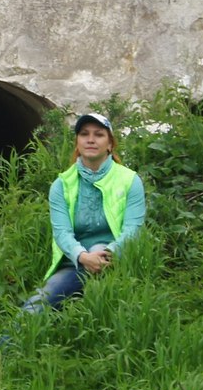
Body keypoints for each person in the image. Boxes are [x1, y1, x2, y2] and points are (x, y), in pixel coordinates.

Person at [21, 113, 146, 312]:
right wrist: (84, 257)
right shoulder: (62, 185)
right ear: (77, 142)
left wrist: (107, 253)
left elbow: (133, 229)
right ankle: (5, 343)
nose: (90, 139)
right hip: (76, 261)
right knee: (35, 306)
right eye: (84, 134)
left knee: (99, 246)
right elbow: (62, 233)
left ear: (110, 144)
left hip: (116, 258)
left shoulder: (130, 180)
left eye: (98, 135)